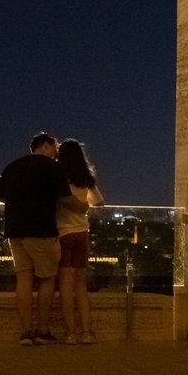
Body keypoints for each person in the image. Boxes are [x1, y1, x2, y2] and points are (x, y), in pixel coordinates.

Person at [0, 132, 70, 346]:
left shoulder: (13, 166)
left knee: (24, 279)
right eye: (55, 145)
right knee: (46, 278)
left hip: (15, 230)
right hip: (42, 229)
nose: (57, 150)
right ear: (45, 145)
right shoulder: (54, 168)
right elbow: (64, 198)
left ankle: (25, 331)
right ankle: (42, 330)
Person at [54, 139, 104, 345]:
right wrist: (85, 204)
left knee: (65, 285)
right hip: (82, 232)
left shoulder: (58, 177)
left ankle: (70, 333)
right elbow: (99, 203)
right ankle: (86, 331)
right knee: (81, 285)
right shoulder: (85, 178)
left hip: (63, 232)